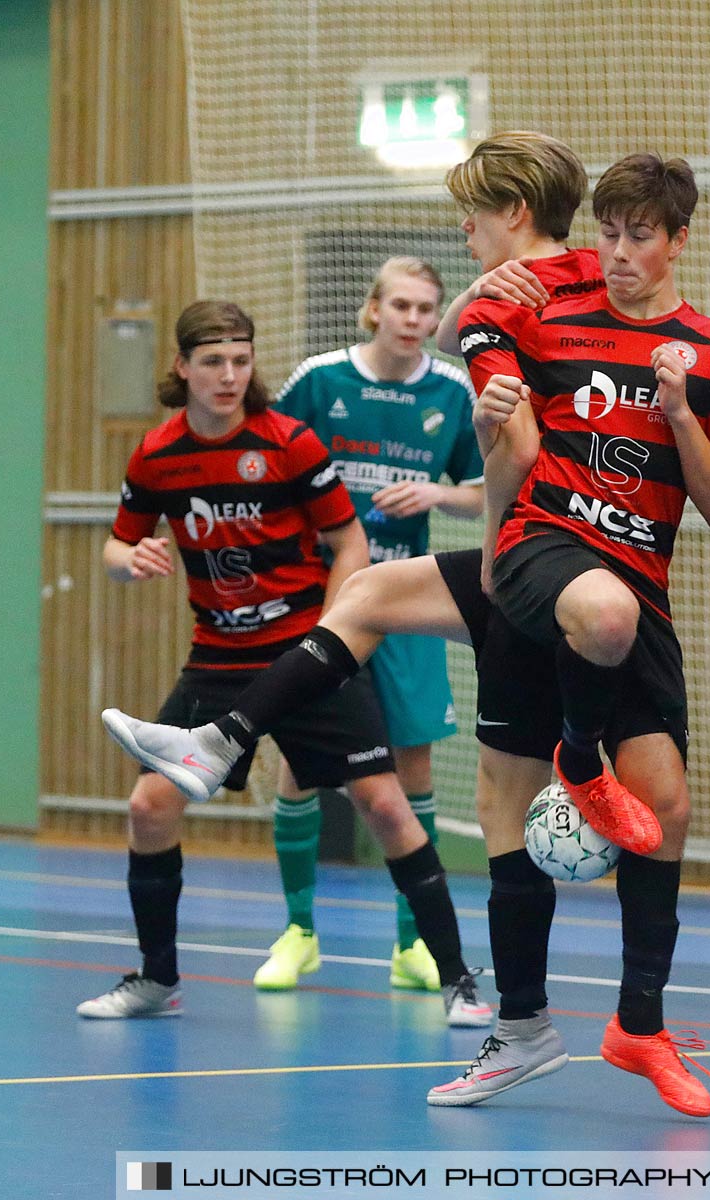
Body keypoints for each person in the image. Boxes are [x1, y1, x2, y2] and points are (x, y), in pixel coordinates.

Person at [426, 152, 710, 1119]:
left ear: (679, 240)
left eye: (638, 237)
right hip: (540, 556)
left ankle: (635, 1027)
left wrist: (680, 415)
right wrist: (489, 387)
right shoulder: (540, 311)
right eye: (605, 234)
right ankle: (580, 767)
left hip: (636, 581)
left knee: (668, 809)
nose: (615, 254)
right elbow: (483, 351)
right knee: (517, 788)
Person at [81, 300, 491, 1029]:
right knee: (149, 808)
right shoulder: (157, 455)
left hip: (303, 654)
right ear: (182, 367)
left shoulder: (288, 441)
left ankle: (460, 979)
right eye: (213, 362)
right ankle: (156, 978)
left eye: (241, 360)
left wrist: (326, 647)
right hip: (217, 658)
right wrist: (129, 560)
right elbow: (117, 545)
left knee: (387, 806)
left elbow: (352, 546)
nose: (230, 375)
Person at [254, 257, 484, 994]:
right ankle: (298, 932)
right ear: (373, 310)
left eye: (428, 309)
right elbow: (267, 461)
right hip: (329, 601)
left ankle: (411, 945)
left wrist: (442, 496)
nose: (416, 320)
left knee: (412, 771)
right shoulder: (321, 381)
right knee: (300, 765)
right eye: (403, 307)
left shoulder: (453, 392)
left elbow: (487, 494)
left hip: (409, 602)